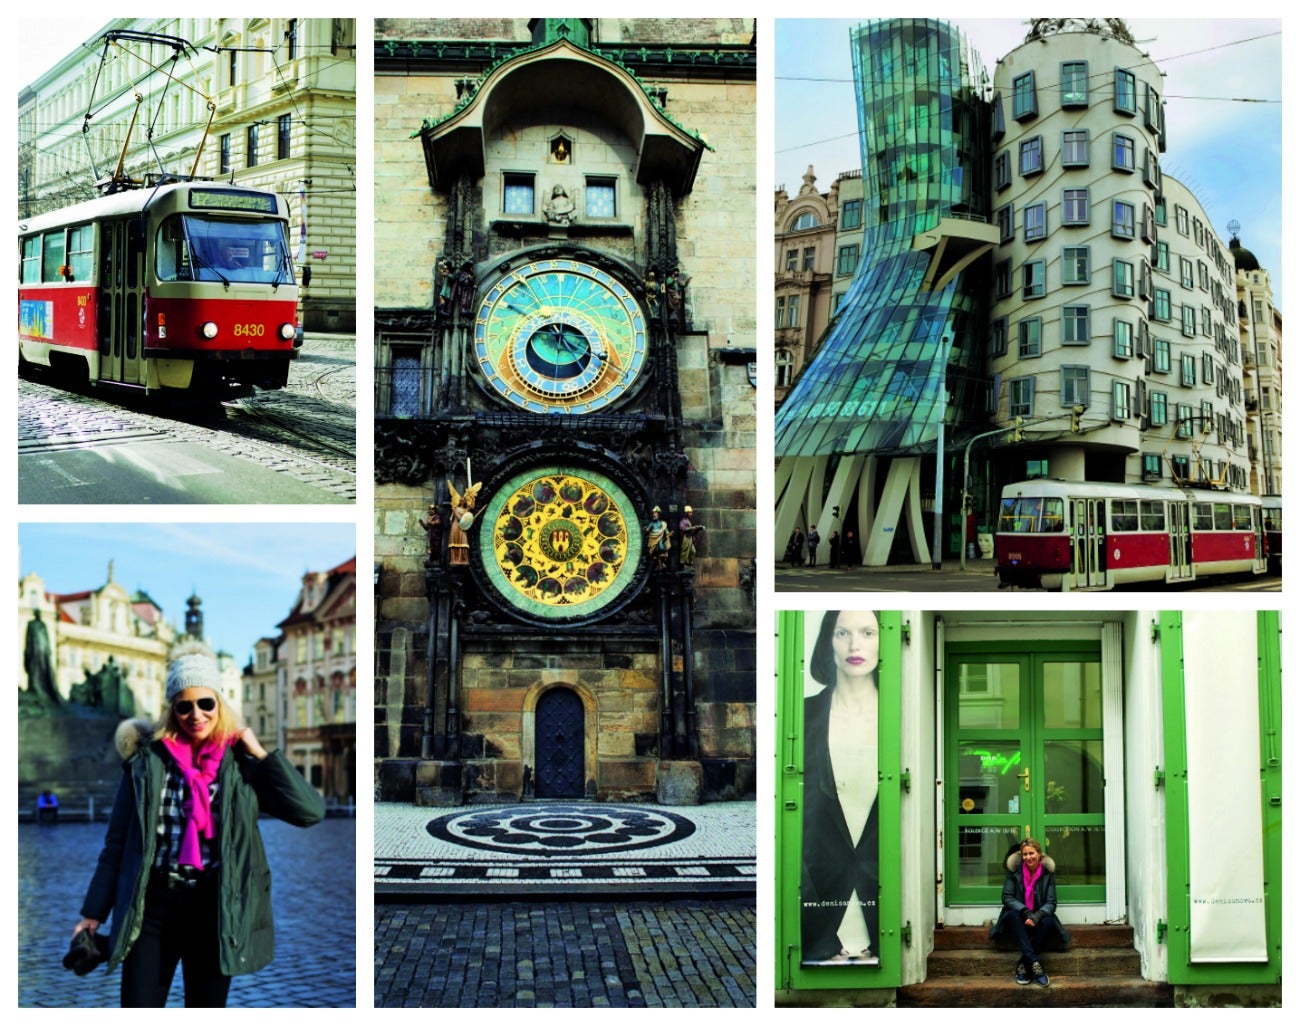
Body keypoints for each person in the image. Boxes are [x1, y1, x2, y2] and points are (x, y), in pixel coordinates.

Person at [73, 642, 323, 1007]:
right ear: (172, 710)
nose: (196, 714)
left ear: (219, 704)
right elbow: (115, 846)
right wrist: (92, 914)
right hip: (152, 909)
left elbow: (309, 811)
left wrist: (260, 752)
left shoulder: (241, 765)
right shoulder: (146, 762)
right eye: (184, 705)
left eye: (206, 703)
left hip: (215, 907)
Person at [800, 610, 880, 964]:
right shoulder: (804, 715)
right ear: (826, 642)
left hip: (883, 912)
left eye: (867, 632)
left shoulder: (903, 714)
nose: (854, 645)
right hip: (818, 918)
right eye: (842, 633)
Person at [990, 838, 1071, 987]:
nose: (1028, 857)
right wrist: (1025, 910)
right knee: (1012, 915)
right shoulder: (1014, 871)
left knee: (1048, 921)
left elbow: (1051, 903)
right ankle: (1036, 966)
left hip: (1037, 917)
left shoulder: (1047, 874)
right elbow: (1007, 897)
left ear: (1039, 854)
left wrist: (1037, 915)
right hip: (1019, 917)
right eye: (1025, 854)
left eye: (1031, 853)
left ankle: (1023, 965)